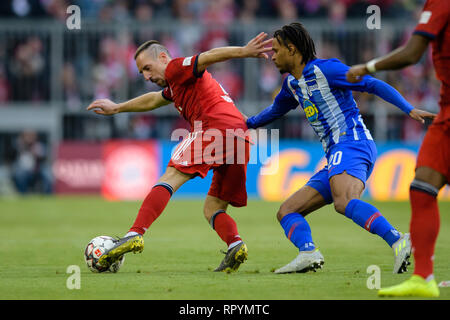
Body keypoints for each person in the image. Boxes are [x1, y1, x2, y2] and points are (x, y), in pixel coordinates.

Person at [244, 22, 435, 275]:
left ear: (292, 49)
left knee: (344, 201)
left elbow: (371, 84)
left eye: (277, 50)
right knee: (287, 211)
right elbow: (275, 111)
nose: (272, 56)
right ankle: (308, 252)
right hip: (336, 153)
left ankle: (399, 239)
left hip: (352, 143)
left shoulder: (326, 70)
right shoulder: (292, 84)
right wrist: (244, 124)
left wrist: (407, 108)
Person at [86, 33, 272, 272]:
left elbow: (207, 56)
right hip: (240, 136)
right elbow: (153, 100)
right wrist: (118, 107)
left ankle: (135, 233)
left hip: (212, 129)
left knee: (169, 178)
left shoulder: (175, 68)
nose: (146, 76)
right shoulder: (177, 85)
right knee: (213, 208)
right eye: (142, 72)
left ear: (163, 57)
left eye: (148, 68)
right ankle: (235, 244)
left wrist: (243, 51)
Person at [347, 0, 449, 298]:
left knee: (423, 187)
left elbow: (412, 53)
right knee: (422, 187)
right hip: (445, 114)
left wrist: (367, 67)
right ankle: (423, 277)